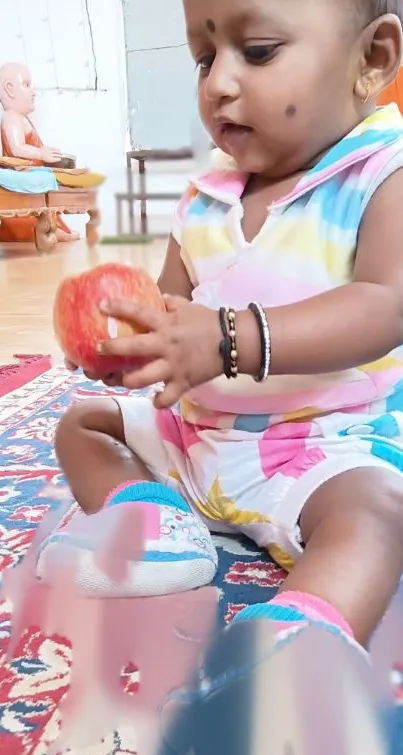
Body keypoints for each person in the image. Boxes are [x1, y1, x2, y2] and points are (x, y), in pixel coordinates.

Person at [42, 0, 403, 658]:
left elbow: (385, 302)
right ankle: (155, 519)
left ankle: (296, 646)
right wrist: (138, 350)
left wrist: (229, 338)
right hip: (197, 438)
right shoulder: (205, 195)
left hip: (316, 446)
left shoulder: (379, 176)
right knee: (81, 423)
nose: (218, 84)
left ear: (371, 59)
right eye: (204, 58)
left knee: (378, 509)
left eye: (257, 50)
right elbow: (172, 313)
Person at [0, 62, 79, 243]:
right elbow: (16, 148)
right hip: (21, 175)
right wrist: (40, 154)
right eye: (26, 85)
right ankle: (40, 228)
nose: (33, 91)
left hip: (31, 173)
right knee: (46, 183)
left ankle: (53, 224)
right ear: (10, 89)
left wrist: (47, 155)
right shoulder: (11, 118)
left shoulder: (20, 118)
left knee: (52, 181)